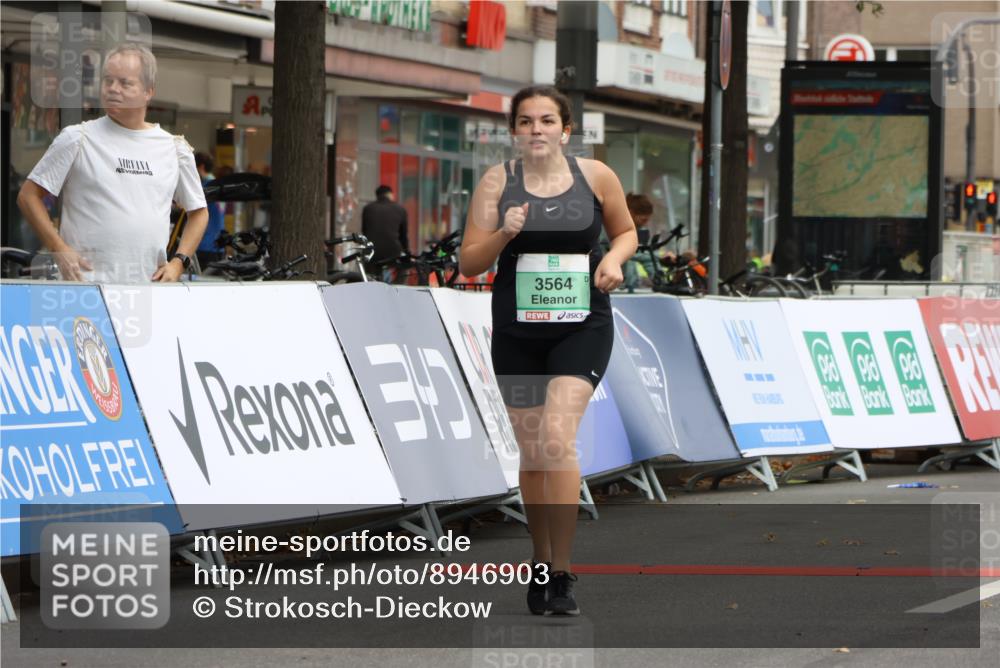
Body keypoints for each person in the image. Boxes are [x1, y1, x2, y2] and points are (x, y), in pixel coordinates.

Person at [458, 86, 637, 616]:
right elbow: (469, 263)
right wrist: (503, 233)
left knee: (557, 439)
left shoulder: (596, 176)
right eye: (526, 121)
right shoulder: (497, 182)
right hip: (517, 331)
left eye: (547, 120)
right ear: (514, 130)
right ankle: (540, 560)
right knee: (534, 452)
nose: (536, 129)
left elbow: (626, 232)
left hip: (582, 326)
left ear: (565, 129)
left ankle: (561, 573)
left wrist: (614, 260)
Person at [16, 43, 207, 283]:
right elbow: (28, 196)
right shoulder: (77, 138)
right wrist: (59, 248)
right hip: (85, 289)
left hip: (148, 290)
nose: (113, 89)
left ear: (148, 91)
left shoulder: (175, 149)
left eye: (125, 83)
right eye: (108, 81)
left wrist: (179, 262)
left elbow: (199, 212)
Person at [361, 185, 409, 279]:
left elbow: (365, 232)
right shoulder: (400, 209)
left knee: (370, 277)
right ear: (390, 194)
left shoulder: (368, 208)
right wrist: (406, 252)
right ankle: (398, 285)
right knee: (401, 274)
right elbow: (403, 236)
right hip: (393, 251)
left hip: (372, 251)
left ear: (377, 196)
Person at [195, 152, 226, 268]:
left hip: (205, 244)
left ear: (201, 167)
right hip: (218, 243)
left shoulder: (206, 187)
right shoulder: (218, 185)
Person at [622, 193, 654, 292]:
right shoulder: (615, 229)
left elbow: (648, 259)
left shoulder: (642, 231)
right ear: (631, 213)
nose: (646, 223)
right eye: (643, 219)